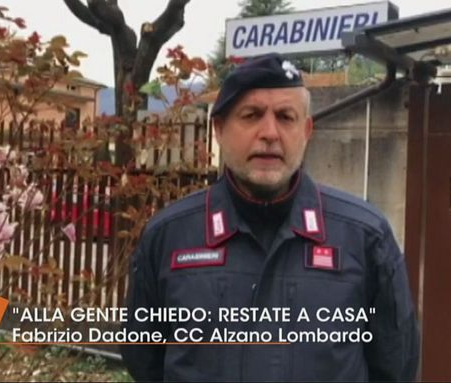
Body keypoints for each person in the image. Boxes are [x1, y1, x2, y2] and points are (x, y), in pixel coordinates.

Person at [120, 53, 419, 382]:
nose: (270, 133)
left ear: (306, 130)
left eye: (286, 117)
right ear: (219, 128)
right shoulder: (169, 236)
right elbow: (145, 362)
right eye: (251, 115)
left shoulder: (365, 237)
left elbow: (395, 366)